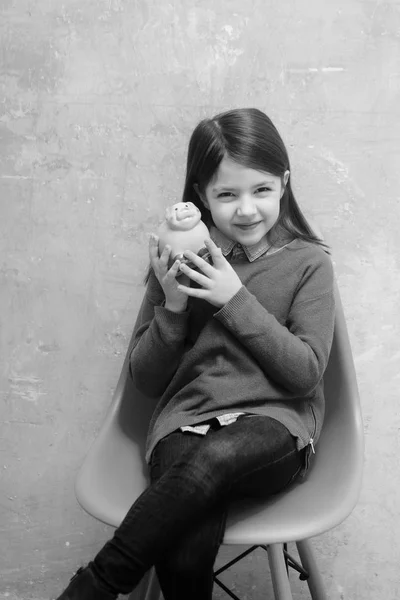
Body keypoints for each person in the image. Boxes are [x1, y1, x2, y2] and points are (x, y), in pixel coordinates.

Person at [55, 108, 335, 600]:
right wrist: (175, 303)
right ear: (201, 194)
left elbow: (304, 374)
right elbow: (145, 380)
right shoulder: (181, 257)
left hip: (276, 424)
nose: (246, 210)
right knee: (184, 543)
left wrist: (234, 300)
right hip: (187, 422)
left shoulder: (309, 264)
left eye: (262, 190)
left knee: (217, 457)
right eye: (227, 194)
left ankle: (97, 584)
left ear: (284, 184)